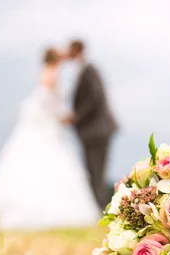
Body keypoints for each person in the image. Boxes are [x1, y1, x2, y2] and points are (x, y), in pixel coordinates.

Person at [0, 48, 100, 230]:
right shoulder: (51, 75)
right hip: (47, 128)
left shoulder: (47, 73)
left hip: (47, 126)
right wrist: (62, 117)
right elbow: (48, 103)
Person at [65, 39, 119, 209]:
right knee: (92, 172)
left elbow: (95, 97)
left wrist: (76, 116)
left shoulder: (90, 70)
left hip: (98, 130)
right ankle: (97, 208)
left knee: (97, 172)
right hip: (91, 132)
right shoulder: (83, 70)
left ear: (76, 50)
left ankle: (101, 209)